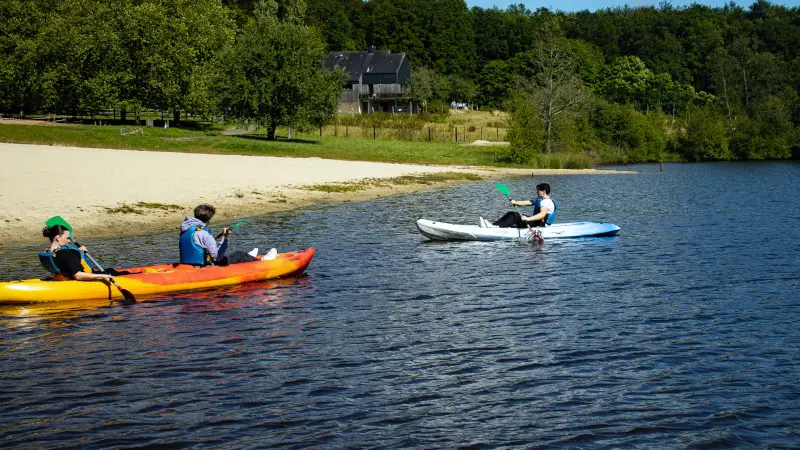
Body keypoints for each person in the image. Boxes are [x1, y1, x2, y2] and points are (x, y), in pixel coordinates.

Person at [179, 204, 276, 266]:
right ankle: (262, 262)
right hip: (204, 266)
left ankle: (249, 258)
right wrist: (225, 238)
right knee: (239, 254)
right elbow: (217, 257)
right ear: (208, 219)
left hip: (188, 264)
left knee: (233, 256)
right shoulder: (204, 234)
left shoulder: (185, 229)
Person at [39, 225, 116, 281]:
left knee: (111, 270)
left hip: (64, 277)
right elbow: (78, 276)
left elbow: (64, 260)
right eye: (67, 238)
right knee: (120, 273)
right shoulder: (67, 253)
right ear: (58, 238)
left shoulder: (48, 251)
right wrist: (102, 276)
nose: (69, 241)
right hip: (83, 278)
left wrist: (78, 251)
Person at [481, 183, 557, 228]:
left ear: (544, 191)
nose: (536, 191)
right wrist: (515, 202)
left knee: (514, 216)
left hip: (541, 225)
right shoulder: (540, 199)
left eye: (538, 190)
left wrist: (528, 219)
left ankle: (495, 227)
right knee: (510, 213)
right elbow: (527, 202)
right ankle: (494, 226)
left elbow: (542, 215)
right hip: (536, 222)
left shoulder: (546, 202)